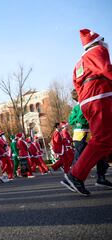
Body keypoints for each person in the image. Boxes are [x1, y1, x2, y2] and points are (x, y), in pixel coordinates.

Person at [63, 29, 112, 196]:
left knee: (106, 138)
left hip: (87, 101)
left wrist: (84, 100)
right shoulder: (98, 51)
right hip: (100, 97)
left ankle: (87, 175)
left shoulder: (78, 63)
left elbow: (77, 86)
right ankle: (75, 175)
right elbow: (107, 69)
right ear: (97, 41)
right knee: (102, 139)